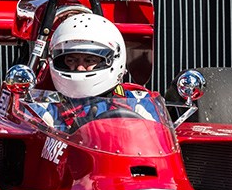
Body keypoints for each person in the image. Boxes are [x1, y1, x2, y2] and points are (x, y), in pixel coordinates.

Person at [24, 12, 158, 131]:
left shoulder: (138, 103)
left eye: (89, 61)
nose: (79, 68)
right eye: (71, 60)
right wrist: (71, 137)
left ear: (114, 59)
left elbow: (158, 146)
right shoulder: (45, 109)